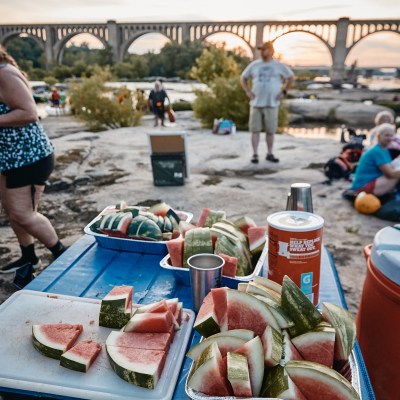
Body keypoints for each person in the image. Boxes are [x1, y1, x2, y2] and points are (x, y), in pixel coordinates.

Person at [0, 45, 67, 274]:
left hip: (28, 156)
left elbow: (29, 112)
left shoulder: (4, 73)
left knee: (23, 213)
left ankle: (61, 254)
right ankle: (29, 258)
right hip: (9, 158)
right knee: (12, 210)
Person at [240, 41, 294, 163]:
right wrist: (248, 91)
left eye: (264, 49)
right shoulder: (254, 65)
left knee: (270, 131)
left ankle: (270, 153)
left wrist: (284, 92)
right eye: (261, 50)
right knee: (255, 130)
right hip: (256, 103)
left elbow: (290, 77)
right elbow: (243, 78)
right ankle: (255, 154)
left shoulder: (279, 65)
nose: (262, 52)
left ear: (271, 51)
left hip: (272, 104)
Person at [351, 123, 400, 196]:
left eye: (391, 135)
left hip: (370, 181)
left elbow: (390, 167)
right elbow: (390, 174)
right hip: (362, 188)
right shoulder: (377, 151)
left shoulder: (384, 149)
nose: (389, 138)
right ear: (379, 136)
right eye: (386, 135)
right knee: (397, 176)